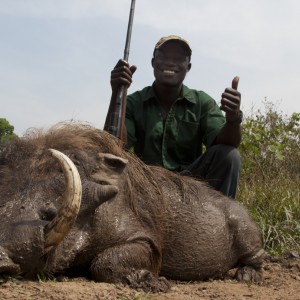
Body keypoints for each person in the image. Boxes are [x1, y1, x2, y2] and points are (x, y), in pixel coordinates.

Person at [107, 35, 243, 198]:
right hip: (144, 184)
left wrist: (233, 118)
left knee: (230, 156)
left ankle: (222, 219)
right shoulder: (133, 102)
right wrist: (117, 93)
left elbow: (229, 144)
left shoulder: (202, 102)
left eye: (179, 59)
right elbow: (114, 146)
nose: (170, 63)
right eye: (163, 57)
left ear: (188, 67)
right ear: (152, 63)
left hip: (191, 185)